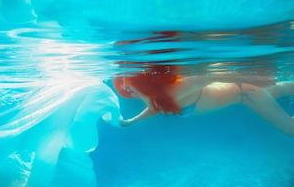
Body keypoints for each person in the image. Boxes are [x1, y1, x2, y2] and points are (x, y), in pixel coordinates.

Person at [113, 65, 294, 136]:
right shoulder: (154, 97)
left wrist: (253, 79)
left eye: (126, 83)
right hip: (243, 92)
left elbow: (208, 76)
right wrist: (131, 121)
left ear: (141, 81)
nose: (125, 88)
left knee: (290, 130)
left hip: (247, 93)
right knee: (287, 87)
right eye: (123, 86)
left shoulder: (173, 91)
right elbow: (155, 109)